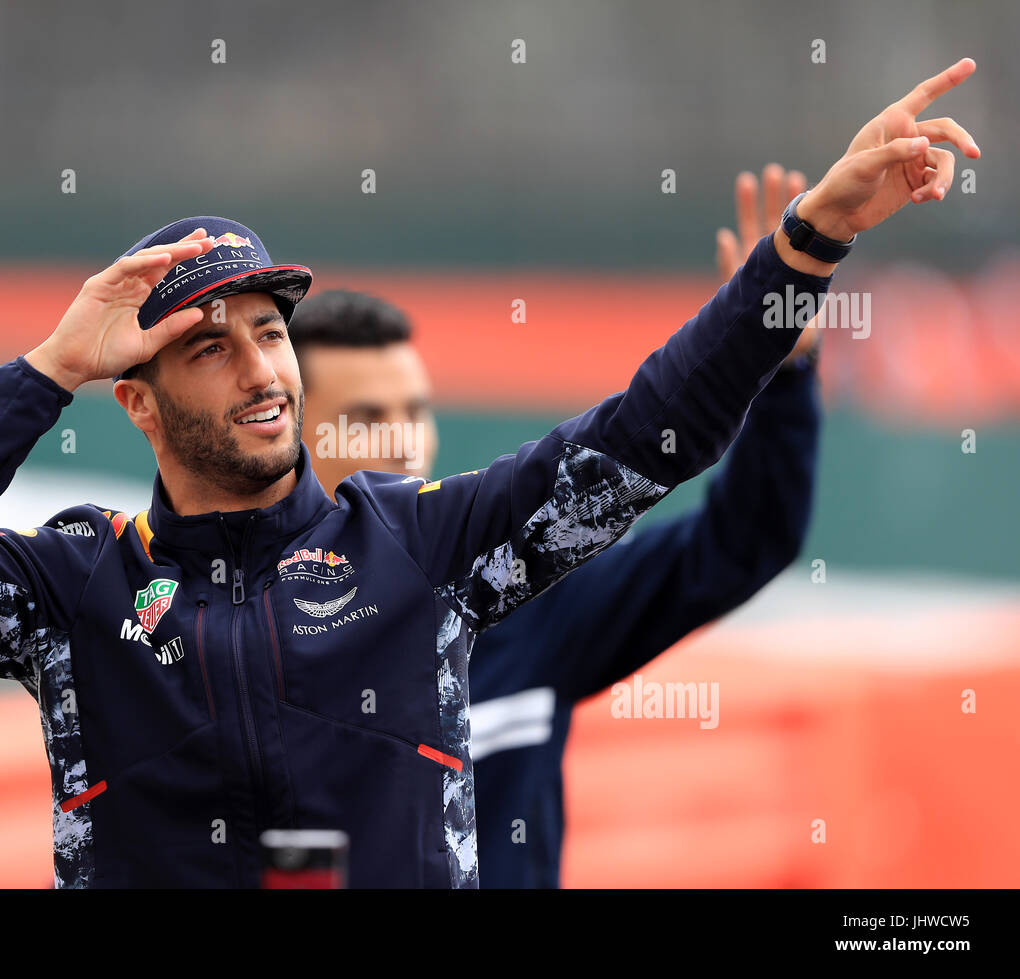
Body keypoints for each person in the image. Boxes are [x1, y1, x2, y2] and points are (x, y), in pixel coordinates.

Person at [0, 61, 980, 887]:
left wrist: (811, 240)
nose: (258, 366)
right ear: (131, 393)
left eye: (270, 331)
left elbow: (647, 434)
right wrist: (43, 370)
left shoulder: (423, 549)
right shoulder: (77, 588)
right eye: (207, 346)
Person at [292, 163, 823, 888]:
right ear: (287, 433)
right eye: (367, 418)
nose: (403, 440)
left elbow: (745, 541)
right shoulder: (234, 625)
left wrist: (784, 374)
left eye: (415, 410)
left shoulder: (528, 587)